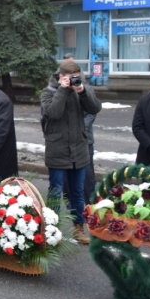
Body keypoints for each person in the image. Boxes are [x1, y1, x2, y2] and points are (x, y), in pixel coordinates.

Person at [40, 60, 102, 244]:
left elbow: (95, 108)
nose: (74, 80)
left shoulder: (79, 90)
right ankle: (52, 229)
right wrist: (63, 90)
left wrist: (82, 91)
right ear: (60, 77)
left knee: (77, 191)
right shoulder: (48, 92)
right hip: (57, 150)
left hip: (79, 149)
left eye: (77, 77)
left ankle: (78, 228)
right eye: (70, 77)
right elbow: (53, 113)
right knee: (55, 190)